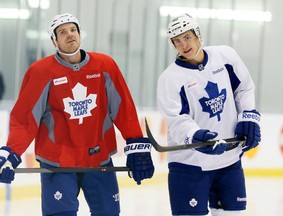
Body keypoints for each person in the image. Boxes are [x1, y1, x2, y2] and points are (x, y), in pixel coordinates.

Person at [0, 13, 154, 216]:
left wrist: (136, 144)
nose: (69, 35)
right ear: (54, 41)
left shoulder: (104, 66)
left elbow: (124, 110)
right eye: (62, 32)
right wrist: (11, 152)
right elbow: (25, 120)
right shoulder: (40, 71)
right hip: (58, 162)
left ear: (80, 34)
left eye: (73, 30)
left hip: (98, 158)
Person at [157, 13, 261, 216]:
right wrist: (196, 136)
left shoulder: (225, 56)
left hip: (229, 158)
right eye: (177, 41)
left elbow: (244, 88)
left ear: (198, 35)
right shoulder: (170, 78)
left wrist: (249, 115)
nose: (183, 45)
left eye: (187, 37)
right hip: (189, 163)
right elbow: (177, 119)